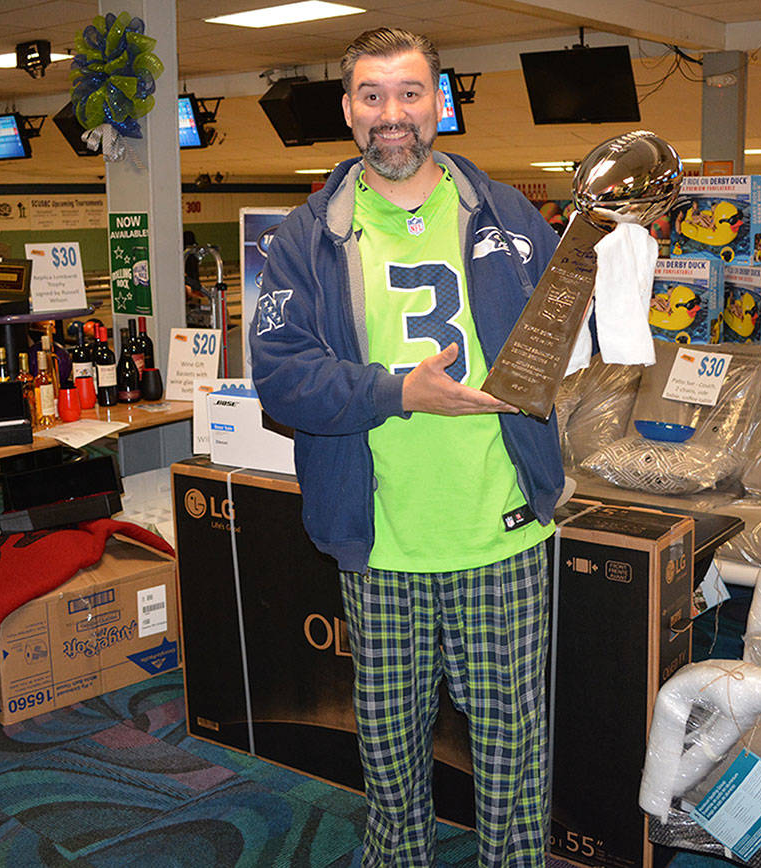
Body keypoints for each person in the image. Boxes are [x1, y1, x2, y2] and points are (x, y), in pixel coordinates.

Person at [249, 28, 564, 868]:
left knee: (511, 746)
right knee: (389, 747)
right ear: (349, 110)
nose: (393, 115)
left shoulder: (511, 215)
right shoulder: (304, 240)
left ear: (441, 104)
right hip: (380, 535)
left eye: (411, 93)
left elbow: (567, 336)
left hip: (501, 528)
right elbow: (281, 379)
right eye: (372, 96)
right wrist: (399, 392)